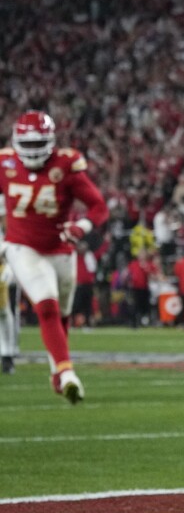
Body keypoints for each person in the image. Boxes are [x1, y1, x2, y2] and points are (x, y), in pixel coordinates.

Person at [0, 111, 107, 402]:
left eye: (39, 144)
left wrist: (81, 227)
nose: (33, 151)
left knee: (61, 315)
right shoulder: (5, 163)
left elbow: (98, 206)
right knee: (46, 306)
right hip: (22, 247)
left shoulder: (66, 165)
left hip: (60, 248)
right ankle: (67, 371)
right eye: (28, 144)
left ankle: (57, 372)